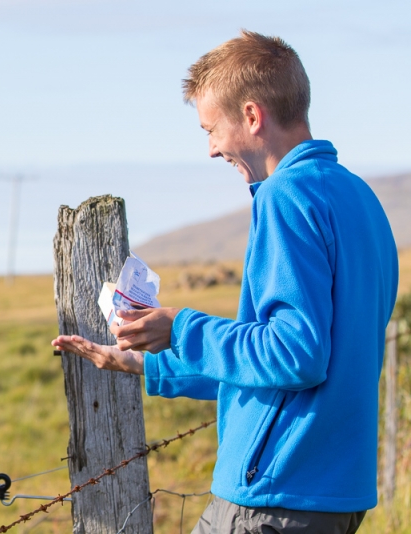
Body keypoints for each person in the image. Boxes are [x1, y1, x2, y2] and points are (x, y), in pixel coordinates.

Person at [52, 30, 398, 534]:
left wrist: (181, 328)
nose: (212, 149)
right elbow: (292, 366)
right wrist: (144, 362)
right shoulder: (359, 199)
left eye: (211, 129)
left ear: (252, 116)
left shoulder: (285, 196)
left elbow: (295, 355)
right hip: (334, 495)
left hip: (275, 494)